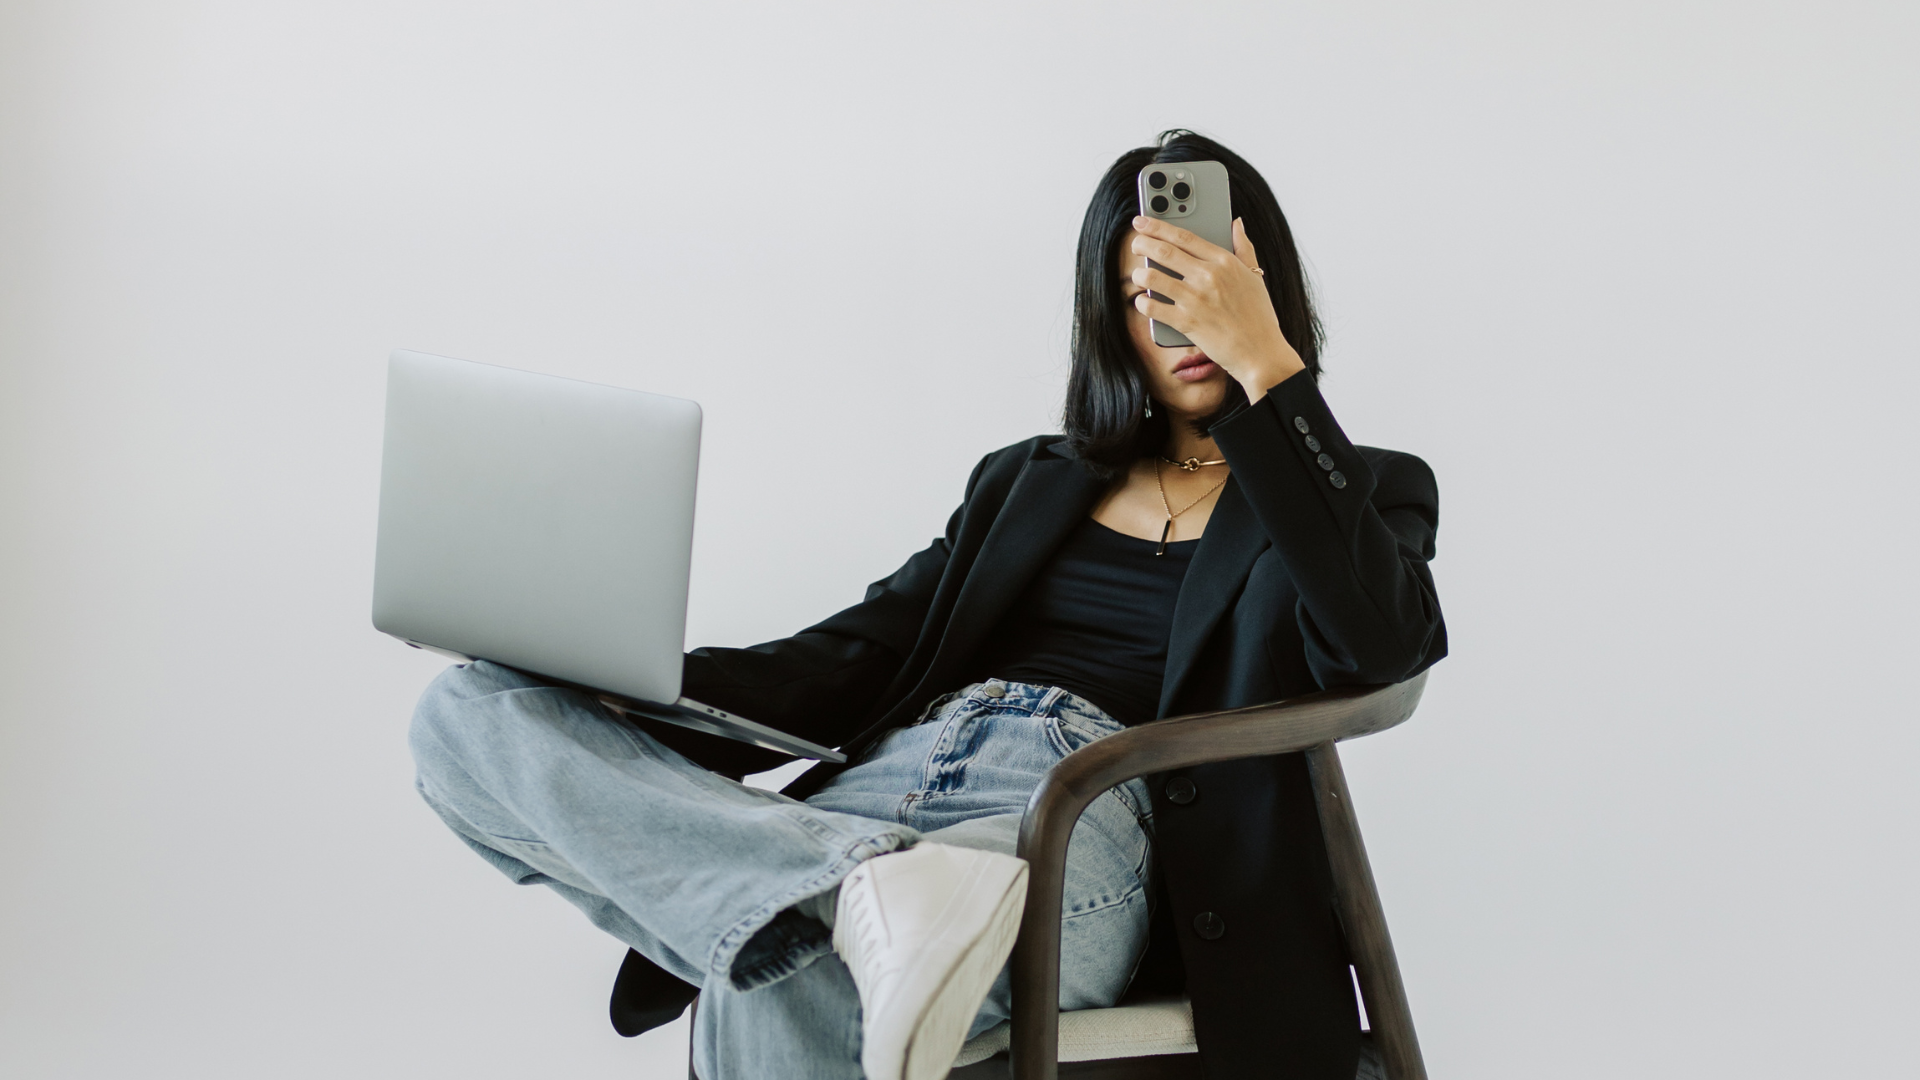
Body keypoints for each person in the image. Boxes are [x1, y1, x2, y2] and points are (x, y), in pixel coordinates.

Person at [408, 130, 1446, 1080]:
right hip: (888, 790)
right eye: (1148, 296)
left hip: (1073, 817)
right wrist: (627, 679)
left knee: (788, 957)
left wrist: (1270, 369)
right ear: (1107, 319)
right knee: (467, 714)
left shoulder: (1360, 490)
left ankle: (849, 893)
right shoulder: (1026, 481)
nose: (1179, 322)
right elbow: (848, 659)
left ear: (1263, 293)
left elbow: (1386, 643)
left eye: (1207, 288)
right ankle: (854, 883)